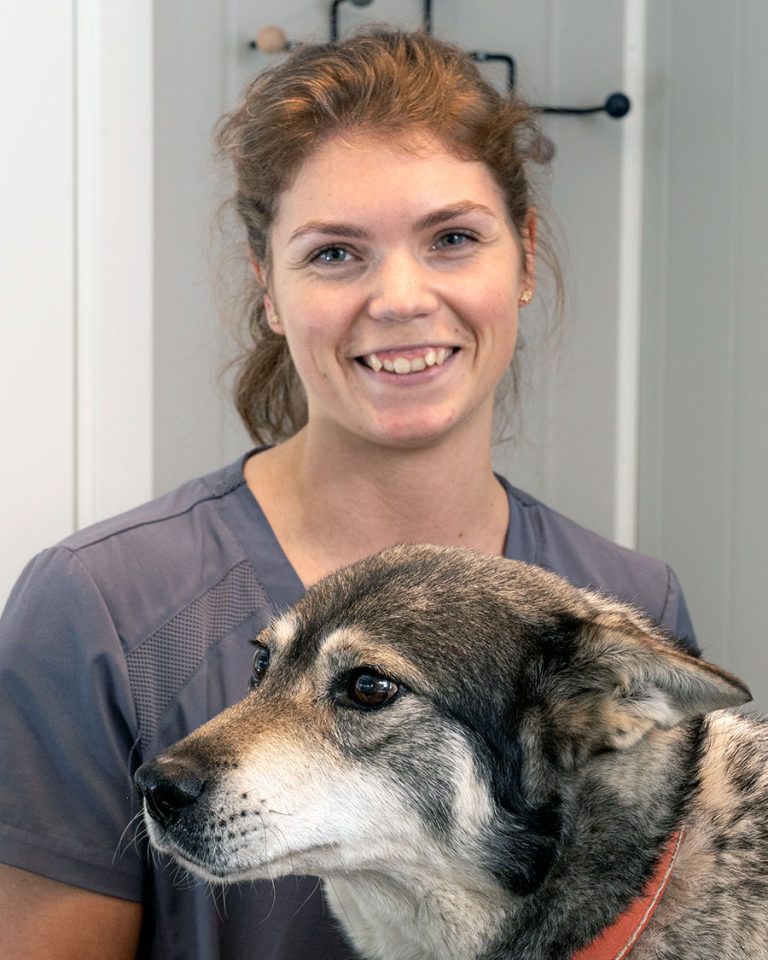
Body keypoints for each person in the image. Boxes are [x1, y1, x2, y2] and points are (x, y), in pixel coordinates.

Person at [0, 29, 696, 960]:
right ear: (269, 288)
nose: (401, 297)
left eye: (452, 239)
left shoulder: (622, 607)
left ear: (523, 258)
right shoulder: (98, 610)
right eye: (335, 254)